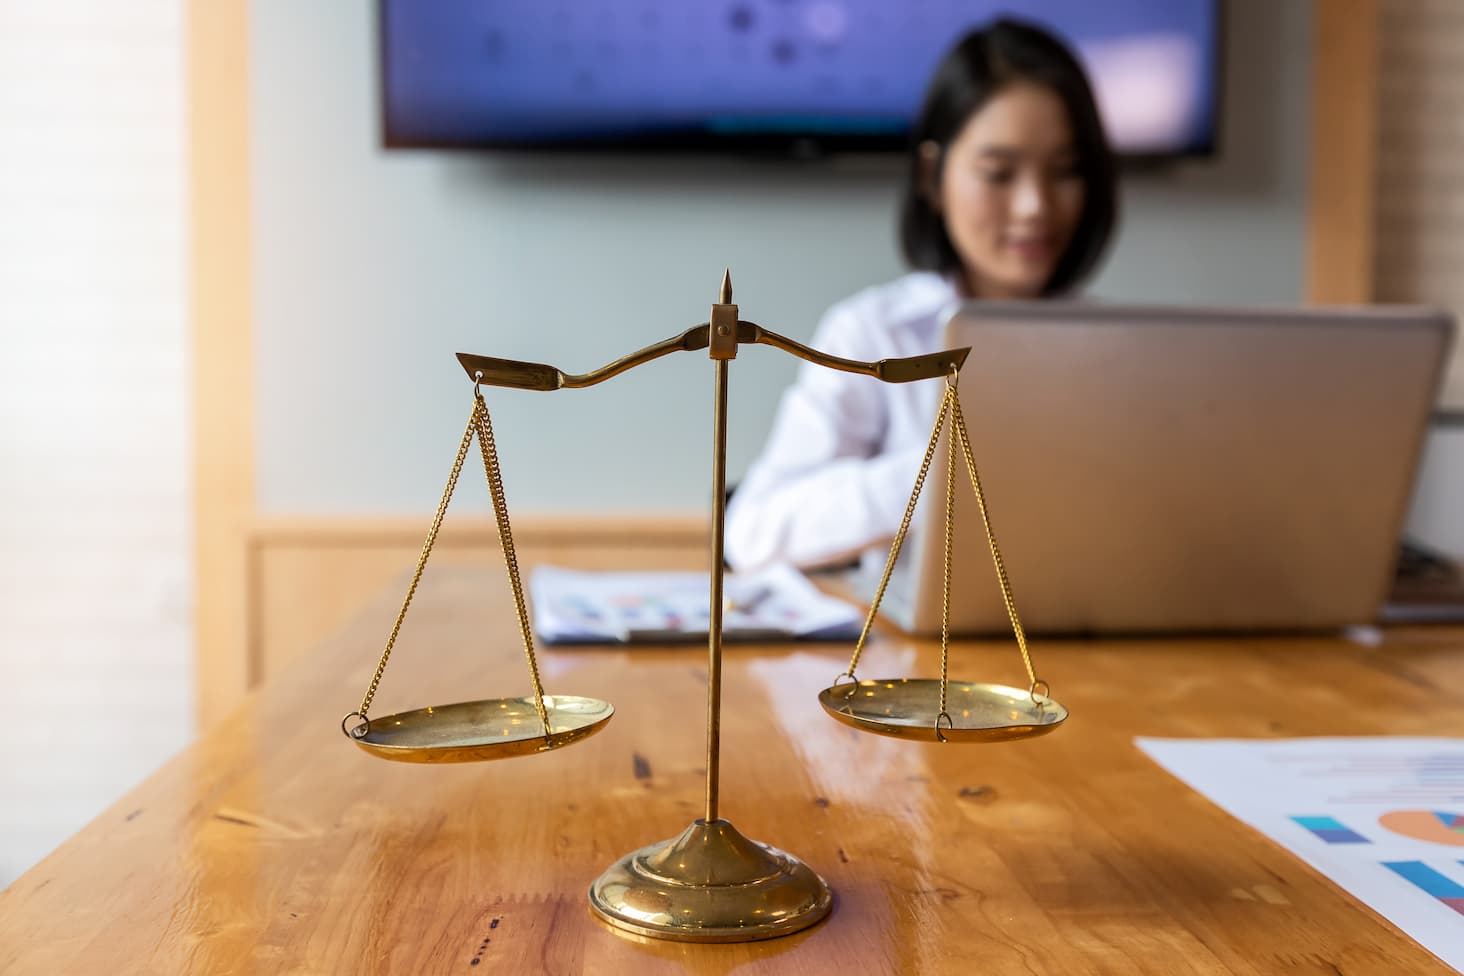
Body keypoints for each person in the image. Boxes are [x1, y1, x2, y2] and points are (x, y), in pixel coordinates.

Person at [725, 17, 1119, 572]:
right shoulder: (872, 332)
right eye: (999, 173)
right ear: (934, 176)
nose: (1035, 206)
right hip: (916, 656)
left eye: (1066, 171)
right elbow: (756, 534)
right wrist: (943, 469)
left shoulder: (1124, 353)